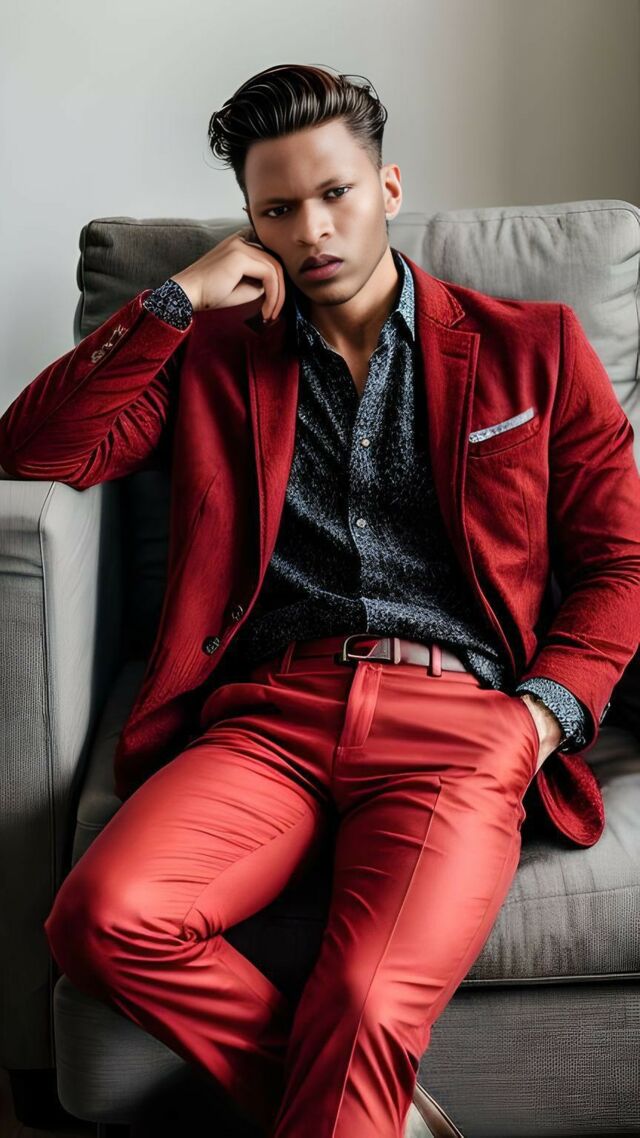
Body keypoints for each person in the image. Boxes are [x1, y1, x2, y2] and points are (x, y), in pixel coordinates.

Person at [2, 62, 639, 1138]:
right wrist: (175, 300)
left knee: (363, 1004)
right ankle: (381, 1115)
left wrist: (536, 720)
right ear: (250, 222)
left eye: (335, 193)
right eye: (278, 209)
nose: (313, 230)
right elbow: (35, 450)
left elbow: (621, 566)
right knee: (102, 917)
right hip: (268, 720)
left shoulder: (533, 346)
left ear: (387, 187)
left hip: (458, 722)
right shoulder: (213, 358)